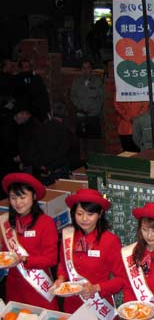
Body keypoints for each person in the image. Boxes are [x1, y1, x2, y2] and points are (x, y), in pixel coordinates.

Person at [54, 189, 125, 316]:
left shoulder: (110, 241)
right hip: (72, 304)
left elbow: (121, 279)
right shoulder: (68, 236)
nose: (84, 219)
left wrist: (96, 288)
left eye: (90, 214)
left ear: (100, 213)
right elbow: (63, 265)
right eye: (79, 214)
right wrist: (60, 278)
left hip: (98, 304)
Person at [0, 173, 58, 309]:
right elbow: (5, 254)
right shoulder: (7, 223)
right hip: (14, 288)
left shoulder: (45, 222)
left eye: (22, 197)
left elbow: (51, 259)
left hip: (38, 289)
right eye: (13, 198)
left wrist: (25, 260)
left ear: (34, 196)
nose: (18, 203)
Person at [70, 60, 104, 160]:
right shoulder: (77, 81)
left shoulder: (97, 81)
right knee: (82, 141)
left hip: (93, 115)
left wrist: (93, 109)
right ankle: (83, 162)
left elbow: (101, 98)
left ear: (91, 69)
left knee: (94, 142)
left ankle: (96, 161)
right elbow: (73, 96)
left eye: (88, 67)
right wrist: (79, 106)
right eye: (84, 68)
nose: (86, 70)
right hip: (81, 115)